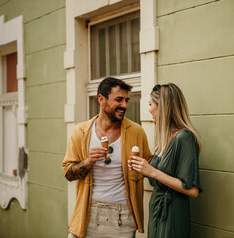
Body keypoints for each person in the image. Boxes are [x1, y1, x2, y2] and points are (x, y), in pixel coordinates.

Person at [62, 77, 152, 238]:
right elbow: (68, 173)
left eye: (126, 100)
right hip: (86, 213)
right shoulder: (80, 132)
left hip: (122, 217)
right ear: (101, 100)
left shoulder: (136, 132)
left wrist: (141, 168)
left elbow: (149, 168)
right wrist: (88, 162)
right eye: (119, 99)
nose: (124, 105)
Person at [128, 83, 202, 238]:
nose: (149, 110)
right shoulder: (165, 139)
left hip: (173, 212)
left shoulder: (185, 138)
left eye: (151, 105)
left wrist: (152, 171)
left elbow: (192, 190)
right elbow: (161, 176)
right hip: (157, 210)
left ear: (163, 107)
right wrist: (142, 168)